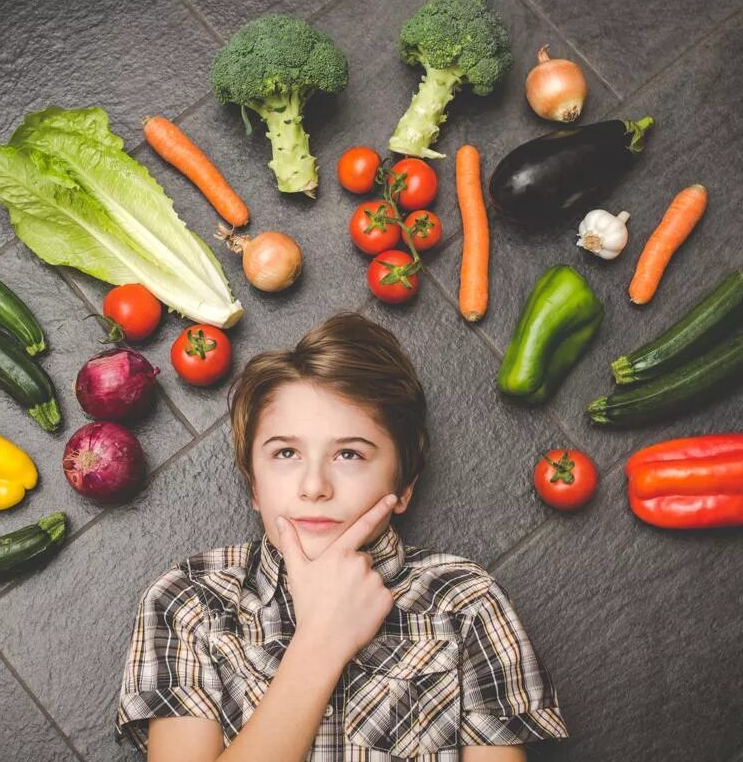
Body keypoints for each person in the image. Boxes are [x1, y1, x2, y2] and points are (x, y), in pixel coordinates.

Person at [116, 312, 567, 761]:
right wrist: (322, 639)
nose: (314, 486)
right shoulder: (189, 601)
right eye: (286, 453)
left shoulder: (464, 602)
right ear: (254, 484)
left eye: (349, 454)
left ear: (404, 485)